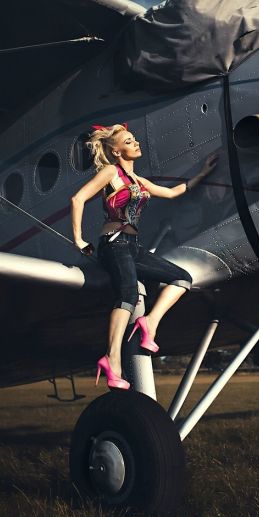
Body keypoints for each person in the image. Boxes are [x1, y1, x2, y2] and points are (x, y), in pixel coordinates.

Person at [69, 122, 217, 389]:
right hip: (114, 243)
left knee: (181, 278)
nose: (135, 143)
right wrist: (79, 239)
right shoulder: (110, 173)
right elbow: (78, 199)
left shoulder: (139, 181)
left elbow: (172, 193)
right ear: (115, 152)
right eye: (128, 141)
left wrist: (203, 173)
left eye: (134, 139)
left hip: (133, 246)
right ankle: (111, 359)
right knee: (128, 295)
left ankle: (150, 322)